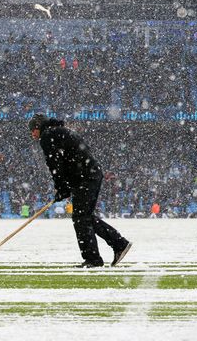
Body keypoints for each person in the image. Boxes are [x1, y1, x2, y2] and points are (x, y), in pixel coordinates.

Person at [29, 113, 132, 268]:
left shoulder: (47, 136)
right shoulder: (59, 131)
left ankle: (93, 259)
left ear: (38, 127)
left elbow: (55, 164)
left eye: (32, 130)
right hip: (90, 174)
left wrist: (62, 187)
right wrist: (65, 187)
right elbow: (68, 159)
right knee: (85, 216)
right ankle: (119, 244)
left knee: (80, 218)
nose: (32, 134)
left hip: (85, 177)